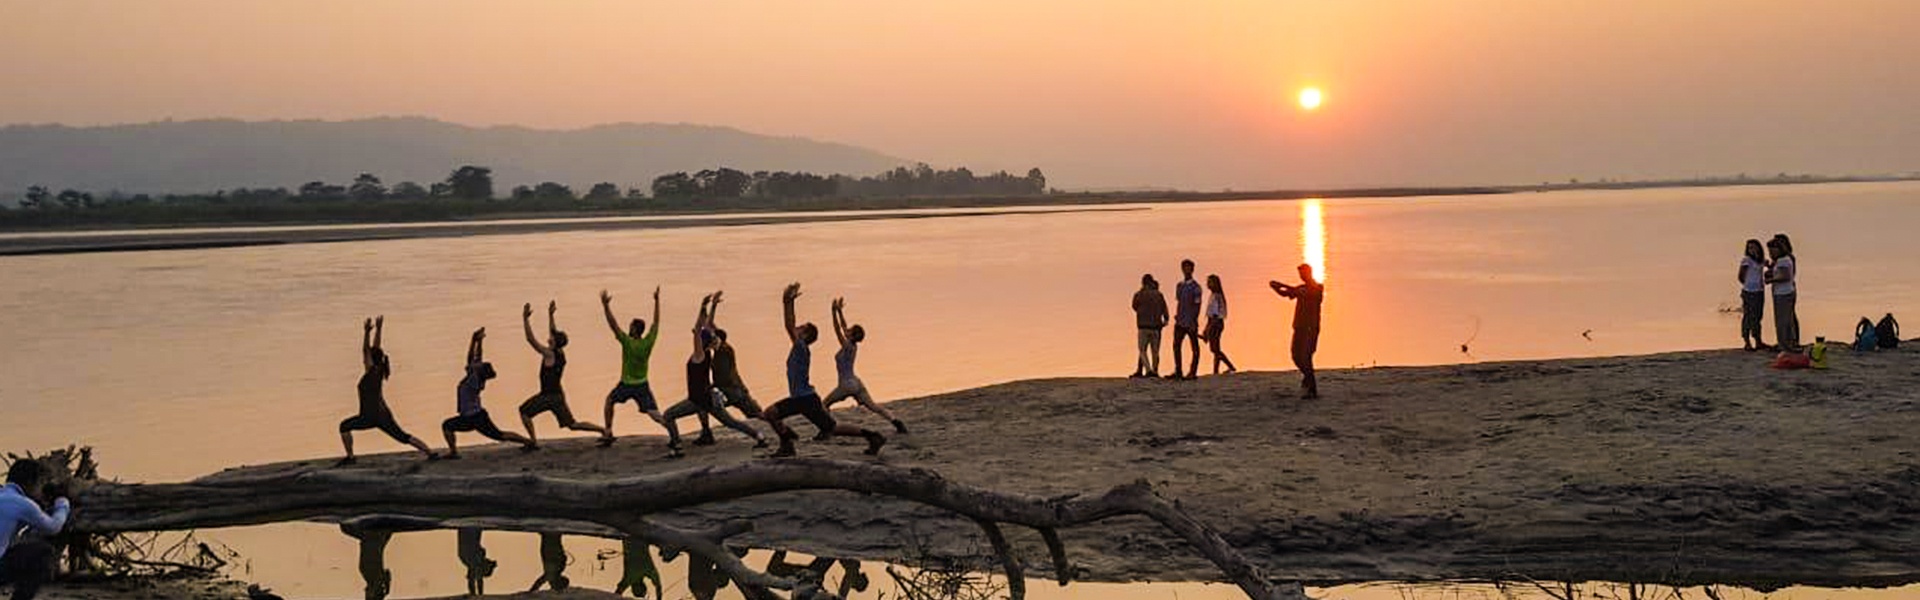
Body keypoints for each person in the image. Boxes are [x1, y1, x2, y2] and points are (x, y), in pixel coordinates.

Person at [761, 283, 887, 458]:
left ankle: (787, 443)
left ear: (804, 335)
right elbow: (790, 325)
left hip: (803, 399)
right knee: (832, 428)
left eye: (801, 327)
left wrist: (787, 302)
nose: (797, 327)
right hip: (806, 398)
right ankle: (872, 436)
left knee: (770, 413)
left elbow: (788, 325)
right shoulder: (801, 348)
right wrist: (788, 301)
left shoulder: (800, 347)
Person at [660, 292, 769, 452]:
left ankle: (677, 445)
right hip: (708, 397)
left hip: (704, 398)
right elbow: (704, 327)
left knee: (668, 415)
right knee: (730, 422)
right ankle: (759, 436)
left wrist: (703, 306)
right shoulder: (709, 352)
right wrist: (708, 308)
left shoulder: (701, 354)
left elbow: (699, 330)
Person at [338, 316, 437, 465]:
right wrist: (378, 329)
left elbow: (366, 350)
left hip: (369, 416)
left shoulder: (371, 372)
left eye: (367, 358)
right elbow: (375, 350)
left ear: (370, 360)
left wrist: (366, 332)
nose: (364, 360)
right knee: (402, 436)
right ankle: (429, 452)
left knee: (344, 426)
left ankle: (351, 457)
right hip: (383, 414)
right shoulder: (379, 369)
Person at [516, 301, 611, 448]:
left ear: (554, 342)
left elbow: (530, 340)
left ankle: (533, 441)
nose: (549, 338)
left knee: (524, 411)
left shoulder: (549, 354)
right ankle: (603, 430)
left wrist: (525, 319)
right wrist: (551, 314)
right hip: (558, 396)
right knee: (572, 424)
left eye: (551, 338)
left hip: (548, 396)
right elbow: (553, 331)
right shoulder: (560, 353)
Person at [440, 328, 537, 458]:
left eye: (478, 366)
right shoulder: (476, 377)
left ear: (478, 371)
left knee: (499, 435)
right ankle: (453, 452)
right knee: (448, 426)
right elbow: (477, 357)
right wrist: (479, 342)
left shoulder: (473, 379)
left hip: (474, 418)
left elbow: (470, 358)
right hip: (472, 416)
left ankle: (529, 442)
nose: (476, 364)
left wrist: (473, 340)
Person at [821, 297, 909, 435]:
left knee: (824, 404)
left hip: (846, 385)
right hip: (856, 383)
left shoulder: (847, 345)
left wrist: (832, 312)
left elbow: (837, 329)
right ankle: (897, 423)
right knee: (873, 406)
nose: (847, 330)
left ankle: (826, 430)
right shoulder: (852, 345)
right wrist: (839, 311)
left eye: (850, 330)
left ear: (852, 335)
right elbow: (843, 327)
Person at [600, 288, 673, 449]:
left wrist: (605, 306)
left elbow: (613, 325)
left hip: (626, 384)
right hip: (642, 384)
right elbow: (656, 323)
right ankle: (673, 431)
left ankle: (608, 432)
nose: (629, 328)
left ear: (634, 330)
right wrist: (657, 301)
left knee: (609, 401)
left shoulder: (627, 342)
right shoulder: (648, 342)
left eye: (631, 326)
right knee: (654, 414)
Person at [1, 460, 70, 600]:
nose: (41, 490)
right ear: (31, 482)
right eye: (41, 484)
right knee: (44, 553)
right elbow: (53, 527)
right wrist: (62, 505)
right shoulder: (22, 503)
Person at [1271, 263, 1325, 399]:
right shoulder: (1301, 288)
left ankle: (1311, 388)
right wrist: (1276, 288)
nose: (1301, 277)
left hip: (1310, 327)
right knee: (1295, 355)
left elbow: (1298, 292)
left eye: (1303, 274)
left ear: (1310, 273)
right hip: (1299, 326)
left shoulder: (1317, 288)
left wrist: (1282, 284)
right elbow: (1287, 294)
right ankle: (1307, 379)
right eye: (1300, 274)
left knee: (1306, 356)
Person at [1169, 259, 1203, 380]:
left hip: (1191, 321)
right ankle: (1178, 370)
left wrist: (1194, 319)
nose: (1186, 270)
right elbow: (1179, 302)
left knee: (1194, 347)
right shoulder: (1180, 286)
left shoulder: (1196, 287)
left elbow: (1198, 305)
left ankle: (1193, 371)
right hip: (1180, 321)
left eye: (1188, 267)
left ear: (1192, 269)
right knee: (1176, 345)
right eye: (1184, 267)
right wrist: (1177, 316)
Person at [1130, 274, 1169, 378]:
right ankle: (1155, 370)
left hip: (1143, 326)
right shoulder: (1159, 295)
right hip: (1156, 326)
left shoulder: (1139, 294)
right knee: (1155, 351)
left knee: (1142, 350)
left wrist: (1142, 312)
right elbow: (1164, 308)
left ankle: (1148, 370)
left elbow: (1134, 306)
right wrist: (1165, 319)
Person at [1766, 235, 1800, 351]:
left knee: (1783, 320)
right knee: (1785, 319)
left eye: (1772, 250)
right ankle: (1785, 343)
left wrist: (1770, 280)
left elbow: (1785, 276)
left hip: (1784, 293)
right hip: (1781, 292)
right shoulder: (1781, 260)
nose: (1770, 253)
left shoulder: (1784, 260)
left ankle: (1785, 344)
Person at [1737, 239, 1770, 351]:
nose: (1752, 250)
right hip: (1749, 292)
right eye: (1750, 248)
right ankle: (1747, 341)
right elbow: (1741, 276)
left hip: (1759, 291)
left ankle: (1758, 340)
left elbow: (1767, 267)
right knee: (1748, 316)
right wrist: (1748, 284)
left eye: (1754, 247)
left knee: (1758, 316)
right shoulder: (1746, 260)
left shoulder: (1760, 261)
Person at [1204, 275, 1238, 375]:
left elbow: (1214, 315)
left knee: (1214, 348)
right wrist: (1206, 327)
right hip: (1214, 323)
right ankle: (1216, 370)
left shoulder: (1217, 296)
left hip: (1216, 323)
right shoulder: (1213, 295)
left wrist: (1208, 328)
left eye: (1210, 282)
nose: (1208, 284)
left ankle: (1230, 366)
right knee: (1216, 348)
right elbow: (1210, 315)